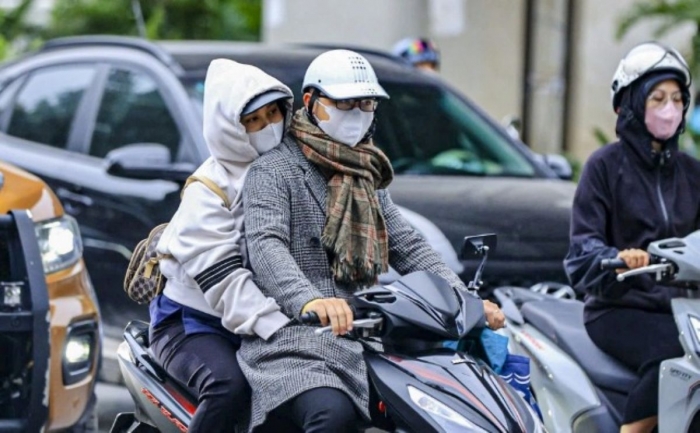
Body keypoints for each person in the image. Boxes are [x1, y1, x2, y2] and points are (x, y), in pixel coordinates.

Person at [239, 49, 505, 433]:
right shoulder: (273, 170)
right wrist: (309, 300)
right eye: (344, 103)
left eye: (365, 104)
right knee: (332, 416)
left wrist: (467, 301)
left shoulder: (365, 171)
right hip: (293, 342)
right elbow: (266, 245)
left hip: (364, 338)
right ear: (311, 101)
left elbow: (407, 245)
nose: (356, 112)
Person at [148, 59, 293, 432]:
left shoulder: (293, 172)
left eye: (273, 113)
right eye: (253, 120)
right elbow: (223, 280)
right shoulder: (209, 189)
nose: (268, 127)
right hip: (193, 324)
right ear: (230, 127)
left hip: (264, 320)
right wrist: (281, 327)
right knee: (229, 386)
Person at [564, 41, 700, 433]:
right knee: (674, 355)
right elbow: (583, 247)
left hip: (685, 308)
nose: (669, 108)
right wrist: (618, 258)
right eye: (657, 98)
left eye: (677, 99)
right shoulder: (603, 167)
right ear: (632, 104)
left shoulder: (693, 173)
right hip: (620, 307)